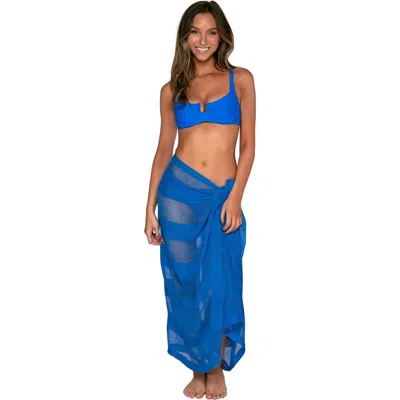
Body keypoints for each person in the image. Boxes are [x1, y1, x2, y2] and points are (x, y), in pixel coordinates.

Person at [144, 1, 255, 398]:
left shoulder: (240, 79)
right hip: (178, 196)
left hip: (223, 196)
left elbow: (249, 146)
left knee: (222, 282)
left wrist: (236, 196)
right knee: (186, 285)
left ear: (222, 36)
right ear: (184, 38)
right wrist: (149, 208)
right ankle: (199, 367)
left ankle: (216, 366)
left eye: (210, 32)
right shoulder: (171, 89)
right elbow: (163, 150)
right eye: (194, 32)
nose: (202, 40)